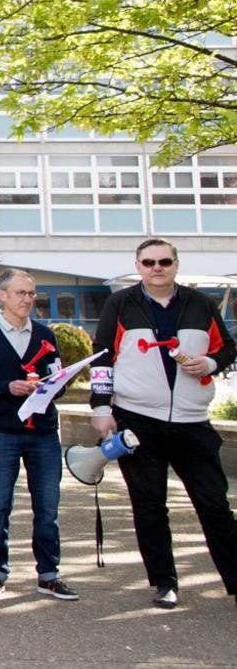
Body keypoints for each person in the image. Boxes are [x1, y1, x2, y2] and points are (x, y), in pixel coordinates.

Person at [88, 238, 237, 609]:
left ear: (176, 264)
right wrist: (100, 407)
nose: (157, 268)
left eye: (165, 261)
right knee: (149, 504)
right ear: (138, 266)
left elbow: (228, 348)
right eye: (149, 262)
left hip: (192, 421)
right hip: (138, 418)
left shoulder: (201, 303)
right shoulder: (120, 303)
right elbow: (102, 358)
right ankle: (164, 581)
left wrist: (211, 364)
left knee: (215, 503)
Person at [0, 269, 75, 600]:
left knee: (48, 506)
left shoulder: (45, 335)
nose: (28, 299)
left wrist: (51, 386)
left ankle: (49, 574)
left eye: (32, 293)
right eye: (22, 293)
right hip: (2, 432)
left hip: (43, 433)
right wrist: (8, 388)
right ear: (3, 296)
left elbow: (60, 381)